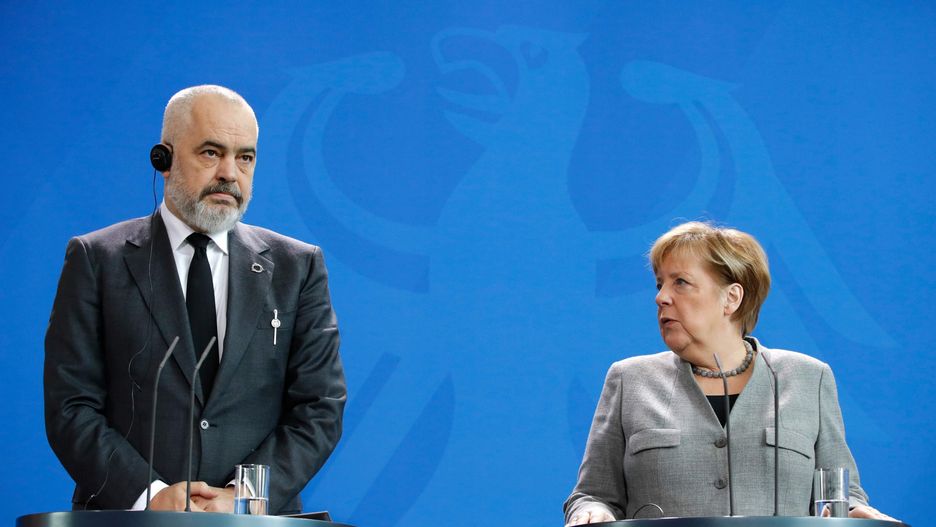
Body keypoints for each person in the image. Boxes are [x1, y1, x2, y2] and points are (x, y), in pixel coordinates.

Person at [44, 85, 346, 514]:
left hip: (251, 520)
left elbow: (319, 407)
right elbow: (70, 405)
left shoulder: (297, 267)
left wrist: (242, 498)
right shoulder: (97, 260)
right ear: (163, 160)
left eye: (245, 157)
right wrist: (151, 495)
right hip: (128, 520)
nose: (230, 173)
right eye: (211, 152)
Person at [564, 221, 896, 523]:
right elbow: (593, 495)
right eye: (660, 284)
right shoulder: (629, 380)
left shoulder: (809, 377)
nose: (661, 297)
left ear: (731, 298)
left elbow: (841, 496)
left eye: (681, 282)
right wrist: (592, 511)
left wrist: (854, 514)